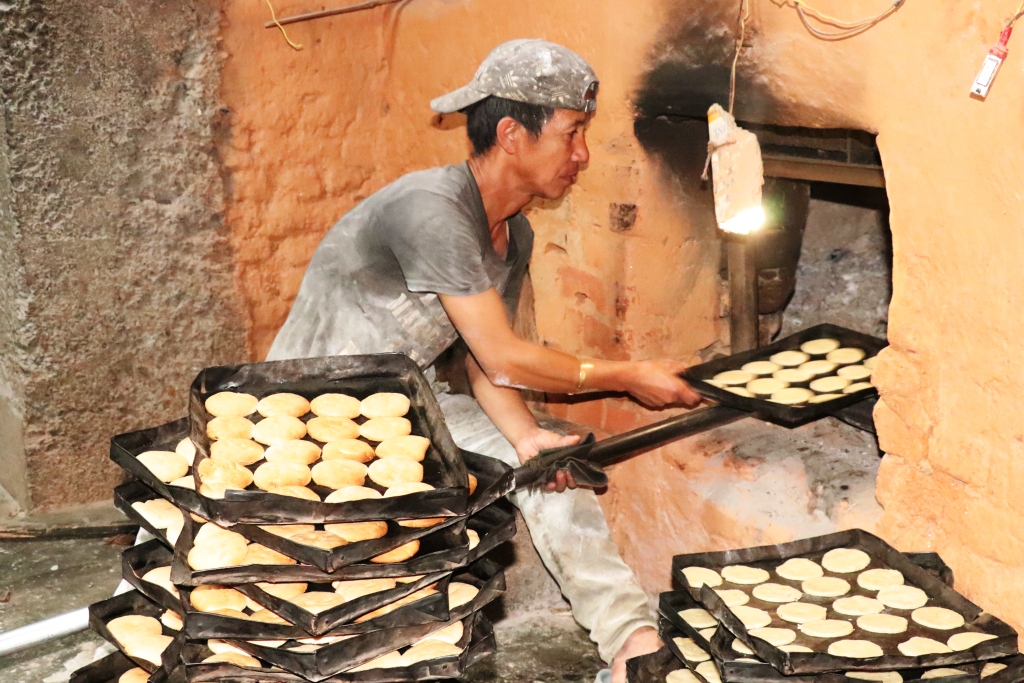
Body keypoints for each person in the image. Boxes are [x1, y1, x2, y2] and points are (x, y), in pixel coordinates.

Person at [267, 39, 701, 683]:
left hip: (407, 402)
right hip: (300, 408)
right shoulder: (432, 211)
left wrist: (527, 438)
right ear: (511, 134)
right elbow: (506, 355)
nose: (582, 155)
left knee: (554, 464)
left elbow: (485, 363)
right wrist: (626, 376)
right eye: (572, 133)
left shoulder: (513, 230)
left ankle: (630, 642)